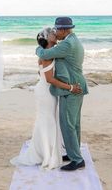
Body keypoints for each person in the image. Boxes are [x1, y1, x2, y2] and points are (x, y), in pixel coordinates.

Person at [10, 27, 82, 170]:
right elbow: (49, 79)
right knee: (47, 120)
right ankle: (46, 154)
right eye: (51, 33)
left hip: (46, 91)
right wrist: (70, 88)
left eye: (55, 32)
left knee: (47, 120)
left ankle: (46, 151)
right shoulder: (47, 56)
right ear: (47, 38)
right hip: (46, 92)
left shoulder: (48, 53)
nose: (54, 34)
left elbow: (41, 72)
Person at [36, 17, 88, 171]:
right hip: (76, 85)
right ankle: (74, 154)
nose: (55, 32)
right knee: (74, 124)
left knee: (68, 125)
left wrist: (38, 47)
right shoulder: (73, 40)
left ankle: (77, 160)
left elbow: (44, 54)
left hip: (72, 88)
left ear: (64, 30)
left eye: (57, 29)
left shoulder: (67, 44)